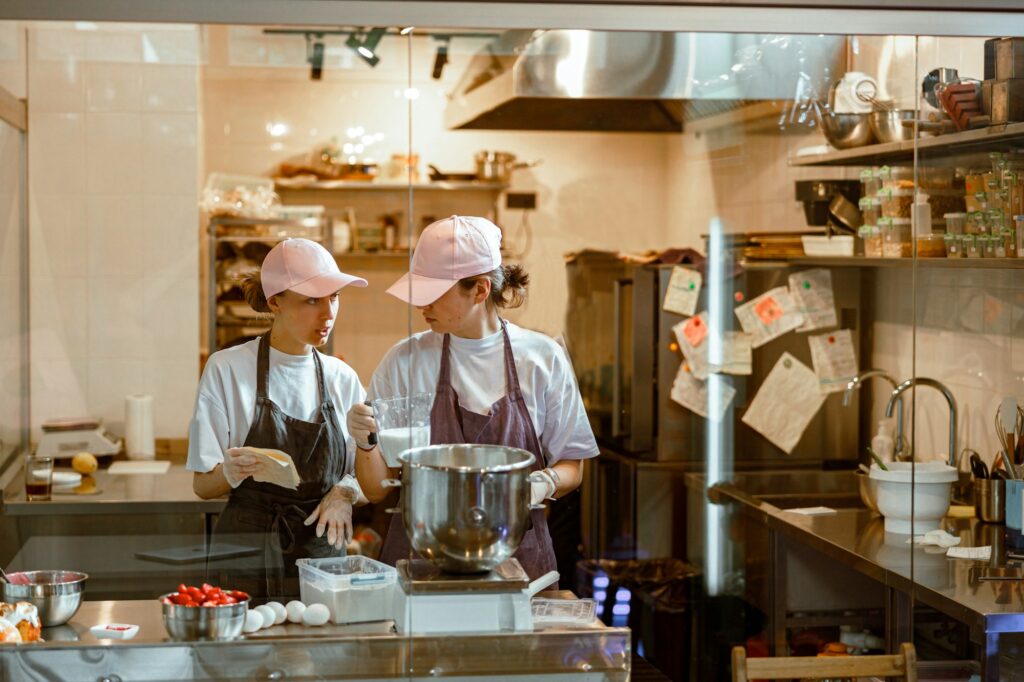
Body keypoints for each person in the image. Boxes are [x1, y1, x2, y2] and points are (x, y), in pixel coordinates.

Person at [349, 215, 599, 580]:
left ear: (481, 290)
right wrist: (365, 442)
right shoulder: (406, 360)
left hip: (516, 557)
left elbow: (572, 466)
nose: (422, 305)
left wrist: (542, 483)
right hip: (423, 557)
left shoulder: (541, 359)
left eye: (435, 293)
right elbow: (375, 489)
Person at [187, 238, 368, 601]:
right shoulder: (227, 368)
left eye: (334, 297)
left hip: (321, 555)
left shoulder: (341, 377)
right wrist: (230, 472)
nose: (328, 313)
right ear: (275, 302)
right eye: (312, 300)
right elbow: (203, 485)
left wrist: (345, 492)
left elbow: (365, 472)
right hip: (245, 552)